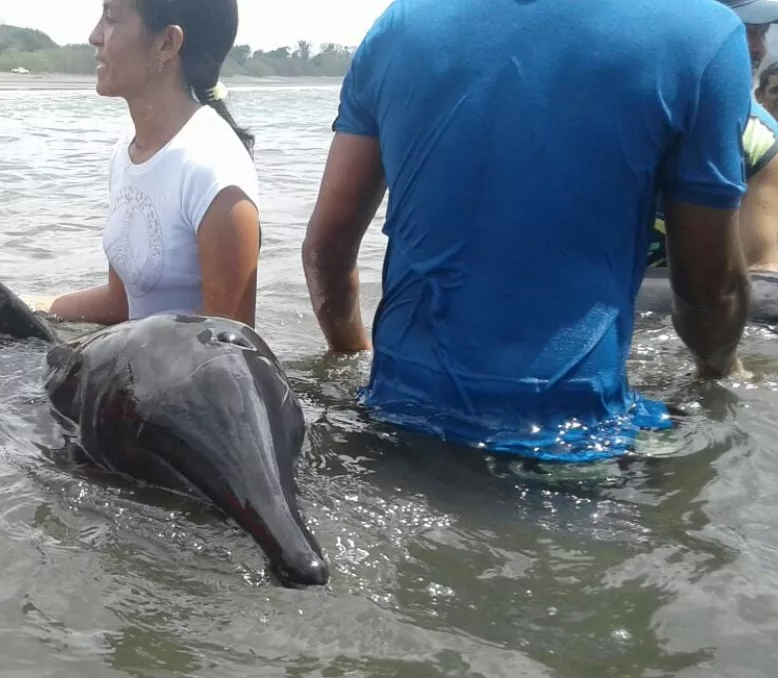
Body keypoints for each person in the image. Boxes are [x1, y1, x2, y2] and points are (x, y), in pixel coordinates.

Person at [301, 0, 755, 462]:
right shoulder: (702, 33)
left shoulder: (401, 22)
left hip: (394, 418)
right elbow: (708, 290)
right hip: (575, 436)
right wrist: (719, 369)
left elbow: (327, 246)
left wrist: (352, 354)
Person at [22, 0, 262, 327]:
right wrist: (30, 307)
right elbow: (121, 304)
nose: (94, 36)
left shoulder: (214, 174)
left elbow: (231, 349)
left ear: (167, 44)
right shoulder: (128, 152)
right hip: (139, 367)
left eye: (110, 18)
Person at [647, 0, 778, 274]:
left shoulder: (758, 136)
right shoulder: (613, 109)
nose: (756, 48)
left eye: (762, 33)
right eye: (743, 30)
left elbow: (764, 275)